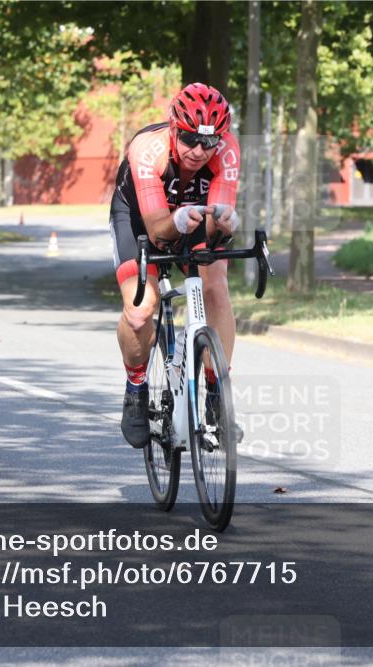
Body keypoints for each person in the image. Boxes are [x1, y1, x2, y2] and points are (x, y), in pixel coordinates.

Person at [108, 82, 241, 448]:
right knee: (140, 310)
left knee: (215, 287)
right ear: (172, 127)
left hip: (192, 213)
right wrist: (179, 221)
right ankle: (136, 387)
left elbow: (214, 226)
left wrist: (223, 222)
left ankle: (217, 396)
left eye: (209, 142)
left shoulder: (226, 149)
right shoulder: (147, 150)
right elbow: (158, 231)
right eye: (188, 139)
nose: (199, 151)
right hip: (139, 218)